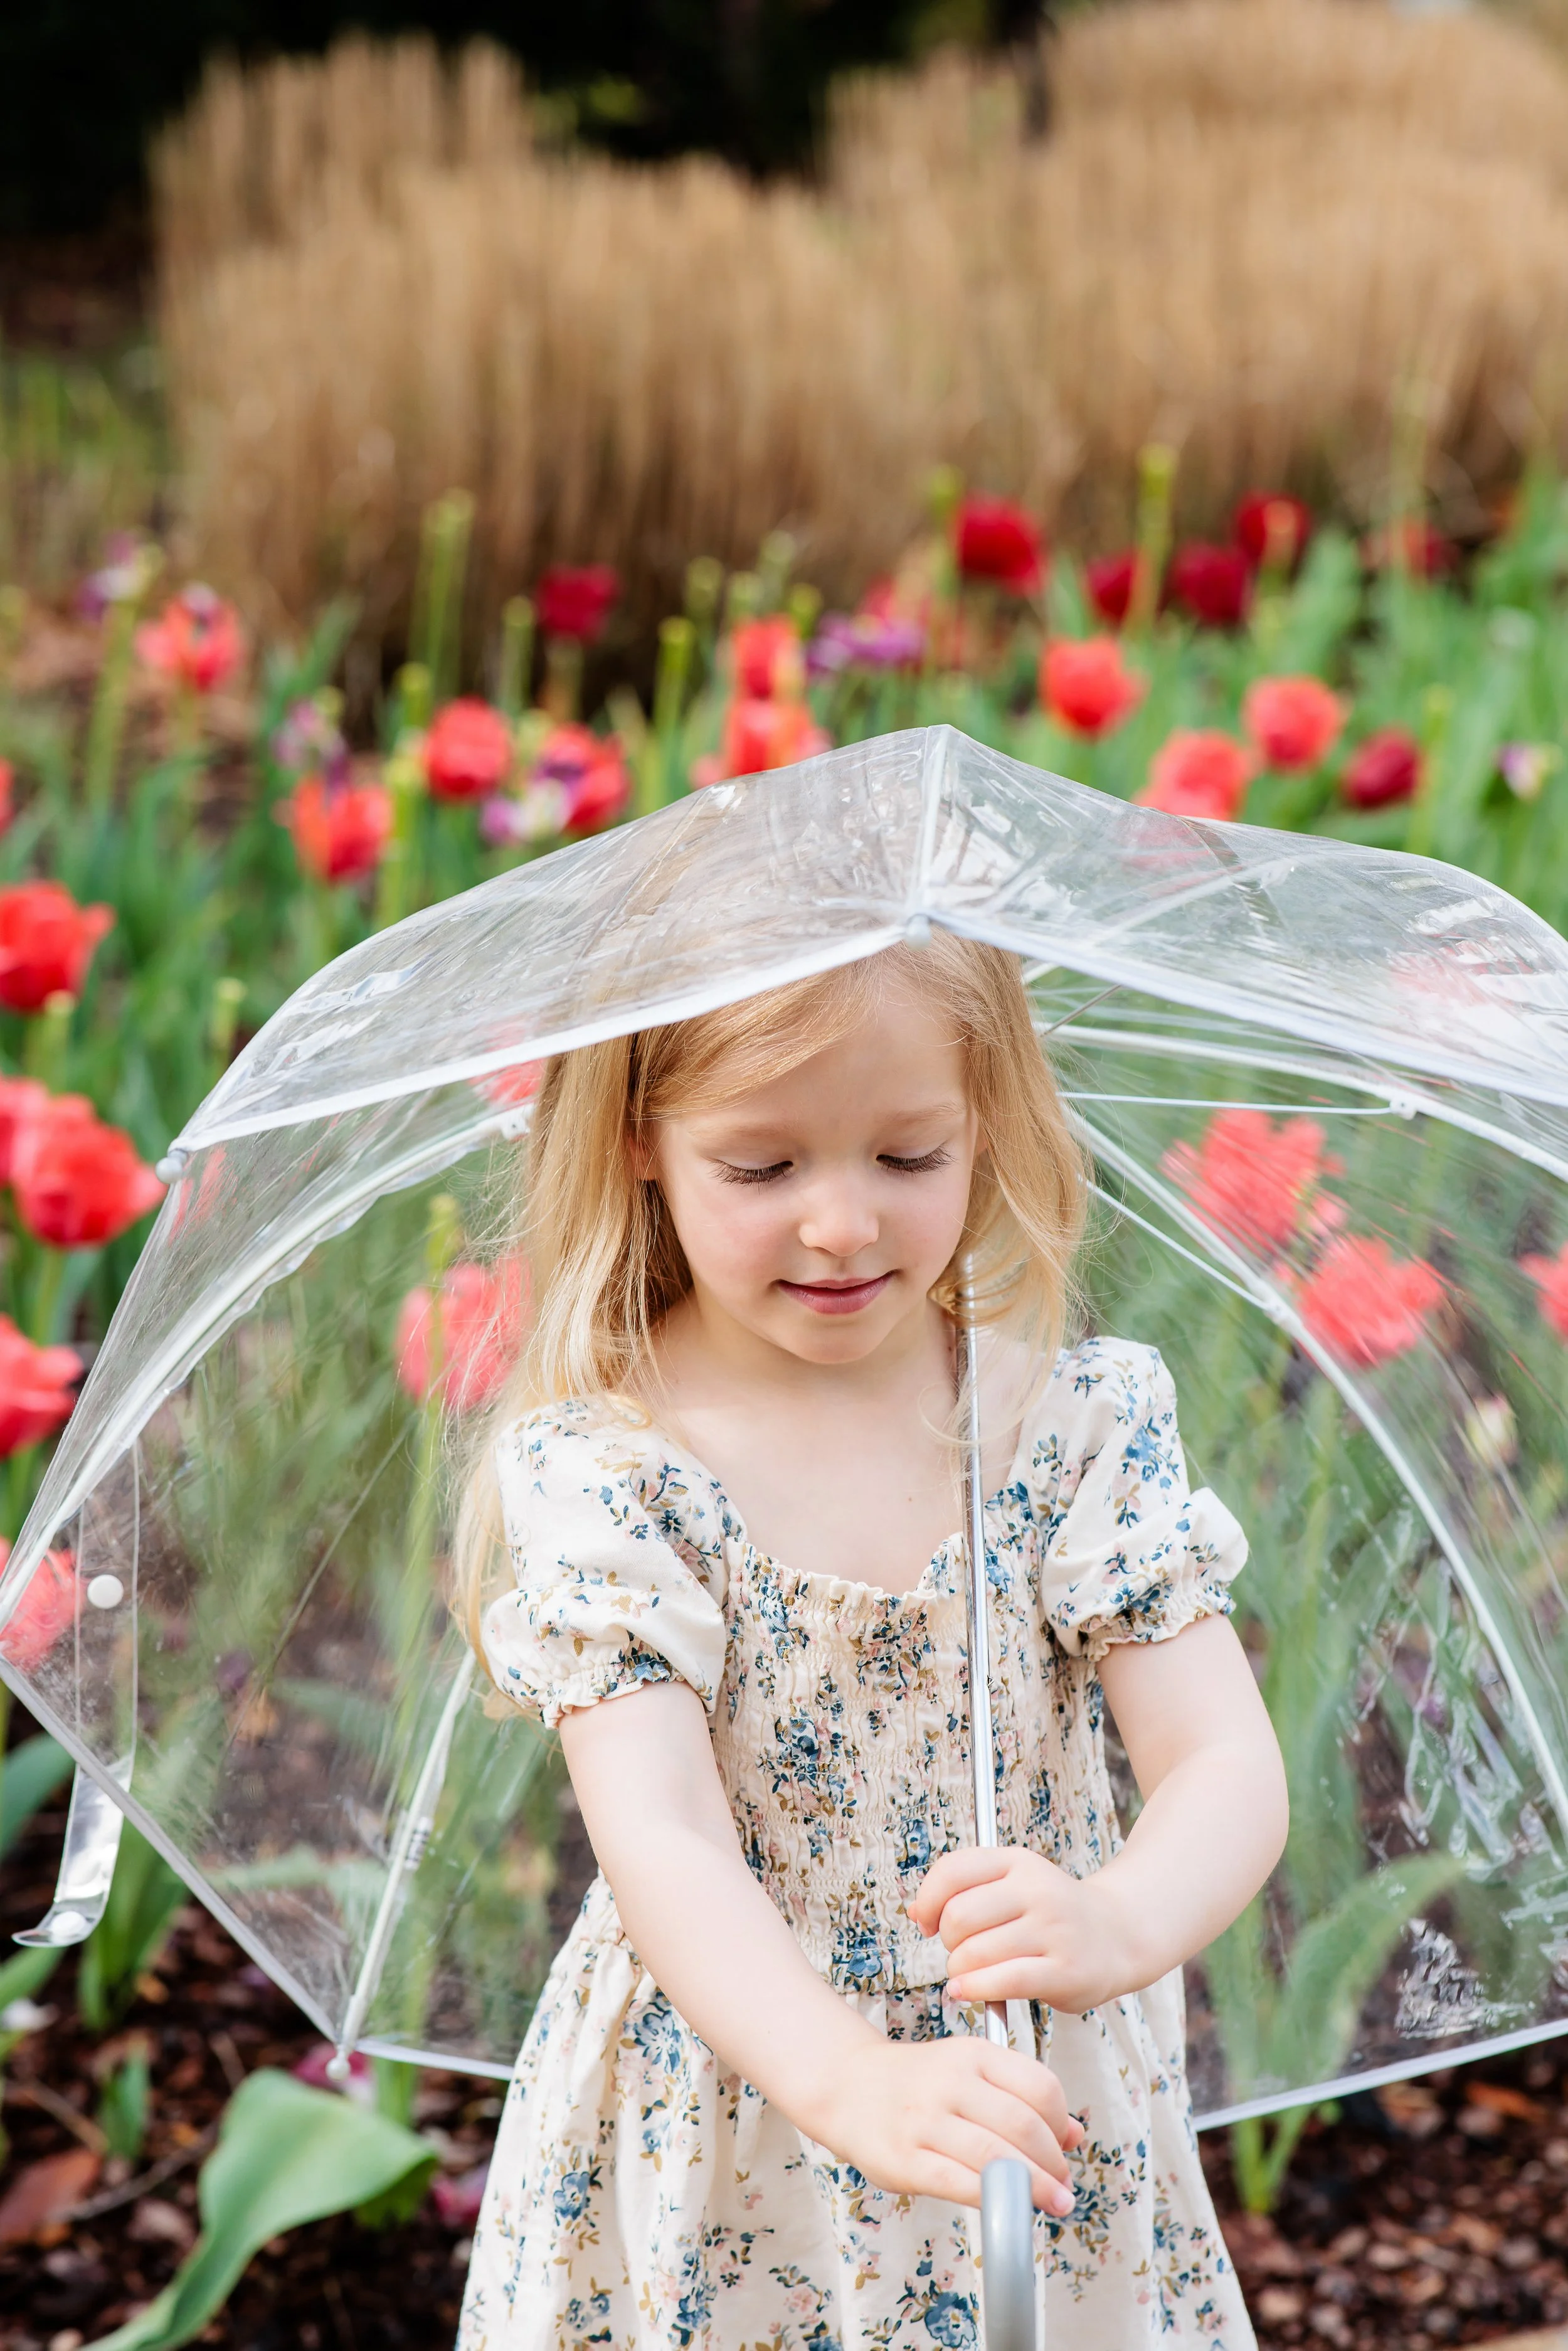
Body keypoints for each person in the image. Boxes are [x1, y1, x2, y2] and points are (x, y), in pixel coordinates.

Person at [454, 932, 1287, 2350]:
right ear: (642, 1139)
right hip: (739, 2095)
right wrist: (847, 2080)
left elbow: (1221, 1757)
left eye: (908, 1156)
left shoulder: (1062, 1428)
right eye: (761, 1167)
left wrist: (1119, 1920)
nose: (842, 1223)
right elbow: (663, 1836)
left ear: (986, 1121)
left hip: (1028, 2083)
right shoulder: (618, 1473)